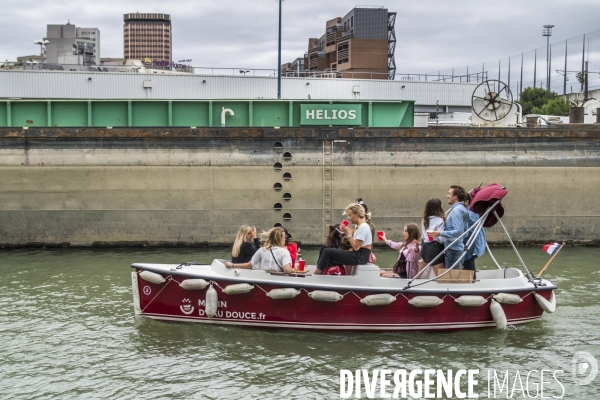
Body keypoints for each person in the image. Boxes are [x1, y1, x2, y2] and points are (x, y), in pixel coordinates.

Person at [315, 203, 372, 275]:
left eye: (350, 215)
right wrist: (346, 234)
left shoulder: (363, 227)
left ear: (357, 214)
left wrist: (349, 235)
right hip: (358, 255)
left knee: (327, 251)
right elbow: (355, 243)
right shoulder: (359, 226)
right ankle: (323, 271)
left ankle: (316, 274)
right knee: (325, 249)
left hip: (360, 257)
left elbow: (357, 247)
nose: (348, 217)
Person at [430, 185, 469, 272]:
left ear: (455, 196)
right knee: (455, 275)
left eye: (449, 194)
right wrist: (446, 223)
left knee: (452, 277)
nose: (447, 196)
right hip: (456, 248)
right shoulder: (462, 209)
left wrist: (440, 233)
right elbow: (465, 232)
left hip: (453, 249)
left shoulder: (456, 211)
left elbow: (459, 231)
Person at [226, 227, 294, 272]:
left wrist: (233, 265)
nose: (285, 238)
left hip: (263, 278)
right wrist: (293, 270)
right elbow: (287, 270)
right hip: (278, 280)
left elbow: (250, 265)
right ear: (279, 238)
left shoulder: (262, 250)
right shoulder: (285, 252)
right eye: (285, 236)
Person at [419, 198, 446, 277]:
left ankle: (414, 282)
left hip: (425, 248)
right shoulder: (439, 220)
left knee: (420, 271)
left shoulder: (424, 220)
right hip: (435, 248)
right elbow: (442, 238)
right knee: (441, 276)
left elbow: (424, 236)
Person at [462, 193, 486, 280]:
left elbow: (467, 232)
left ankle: (473, 282)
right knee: (468, 261)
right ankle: (472, 280)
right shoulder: (474, 212)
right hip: (479, 243)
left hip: (472, 244)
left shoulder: (468, 214)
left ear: (466, 202)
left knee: (468, 261)